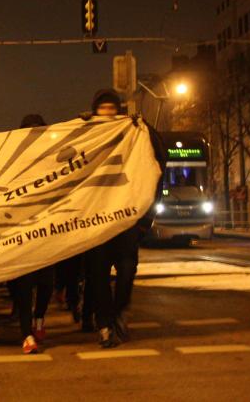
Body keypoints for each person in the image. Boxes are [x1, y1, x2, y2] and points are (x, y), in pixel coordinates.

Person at [84, 89, 164, 348]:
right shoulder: (86, 135)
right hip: (95, 222)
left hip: (126, 221)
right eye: (102, 109)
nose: (107, 113)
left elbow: (157, 163)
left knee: (127, 272)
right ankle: (105, 325)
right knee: (98, 278)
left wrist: (144, 219)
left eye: (111, 108)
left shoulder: (135, 134)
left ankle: (119, 312)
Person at [12, 114, 55, 354]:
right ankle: (27, 333)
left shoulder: (52, 157)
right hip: (21, 230)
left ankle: (39, 318)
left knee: (46, 282)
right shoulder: (14, 159)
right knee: (24, 285)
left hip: (47, 229)